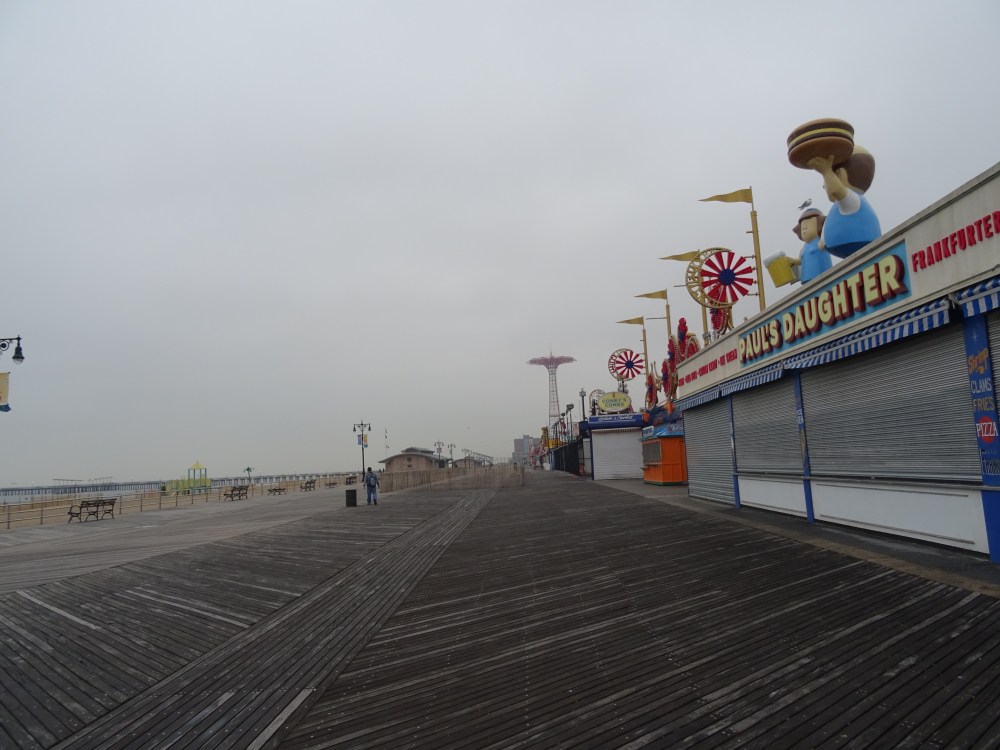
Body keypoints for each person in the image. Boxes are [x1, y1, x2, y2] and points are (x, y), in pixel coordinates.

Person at [806, 147, 881, 259]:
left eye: (825, 180)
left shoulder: (853, 200)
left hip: (859, 242)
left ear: (839, 174)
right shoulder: (842, 205)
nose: (823, 186)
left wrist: (826, 171)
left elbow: (836, 190)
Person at [789, 207, 832, 284]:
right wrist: (792, 261)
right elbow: (801, 260)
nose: (804, 229)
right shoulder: (804, 248)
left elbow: (829, 244)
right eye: (803, 228)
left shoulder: (821, 241)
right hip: (806, 278)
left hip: (822, 276)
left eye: (807, 227)